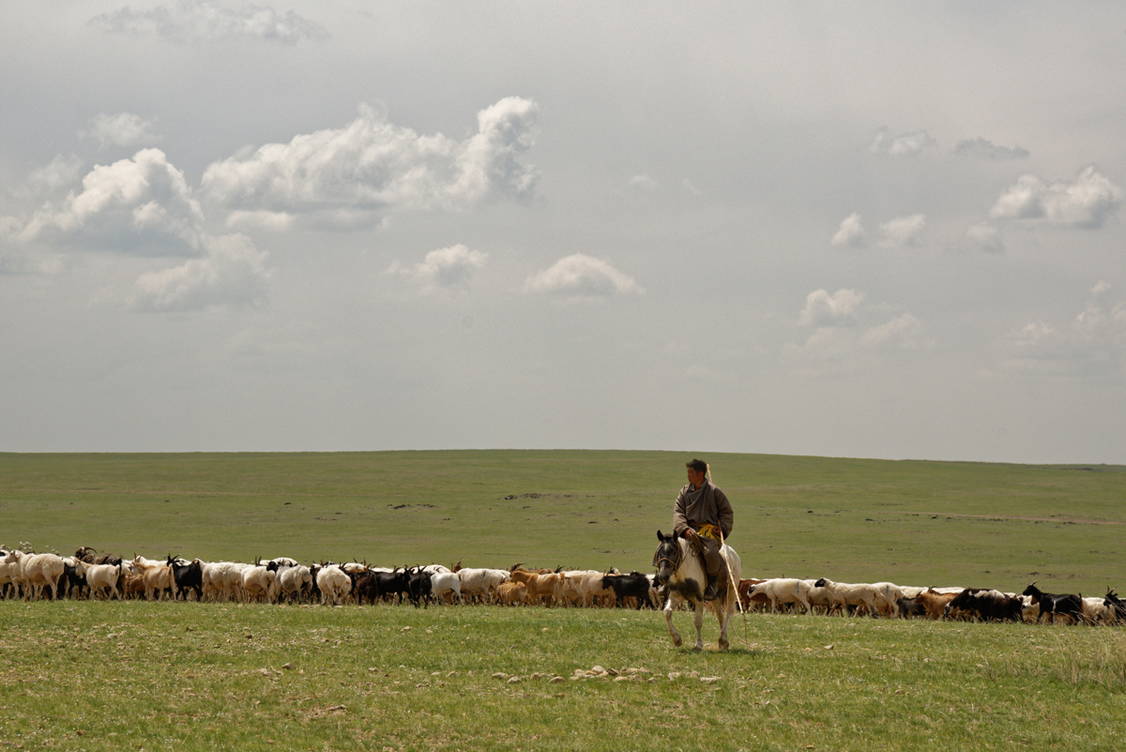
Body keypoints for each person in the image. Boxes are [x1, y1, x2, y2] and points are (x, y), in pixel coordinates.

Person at [673, 458, 734, 600]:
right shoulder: (684, 492)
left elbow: (727, 512)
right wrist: (683, 528)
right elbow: (678, 511)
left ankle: (712, 584)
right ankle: (669, 582)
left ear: (700, 474)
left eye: (691, 473)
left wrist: (723, 528)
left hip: (709, 531)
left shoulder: (714, 492)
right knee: (670, 548)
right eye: (687, 472)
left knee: (711, 553)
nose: (688, 476)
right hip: (688, 531)